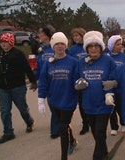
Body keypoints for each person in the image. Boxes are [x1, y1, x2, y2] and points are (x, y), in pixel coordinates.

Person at [75, 31, 117, 160]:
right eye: (90, 46)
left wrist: (111, 87)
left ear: (100, 47)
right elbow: (76, 78)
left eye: (96, 46)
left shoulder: (108, 60)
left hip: (104, 103)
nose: (93, 48)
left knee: (100, 131)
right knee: (95, 132)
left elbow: (115, 77)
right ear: (87, 48)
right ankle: (104, 152)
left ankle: (97, 156)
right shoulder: (82, 62)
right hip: (88, 104)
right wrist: (78, 83)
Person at [38, 32, 78, 160]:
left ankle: (63, 157)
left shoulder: (73, 62)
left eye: (62, 44)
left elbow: (76, 80)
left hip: (68, 101)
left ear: (66, 45)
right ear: (53, 46)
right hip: (54, 101)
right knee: (64, 125)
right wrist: (41, 100)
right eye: (57, 44)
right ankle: (72, 140)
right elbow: (44, 81)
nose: (60, 46)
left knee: (62, 127)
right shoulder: (49, 63)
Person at [0, 32, 37, 144]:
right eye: (1, 42)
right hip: (3, 88)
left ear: (11, 42)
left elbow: (27, 68)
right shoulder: (0, 55)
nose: (3, 45)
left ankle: (29, 122)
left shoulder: (18, 54)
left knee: (22, 109)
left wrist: (33, 81)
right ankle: (8, 132)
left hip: (17, 87)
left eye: (5, 42)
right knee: (4, 111)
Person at [35, 25, 60, 139]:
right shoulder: (42, 50)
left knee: (56, 104)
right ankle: (59, 124)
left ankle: (55, 129)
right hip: (46, 81)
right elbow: (39, 65)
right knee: (52, 105)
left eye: (41, 33)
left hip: (56, 80)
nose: (39, 36)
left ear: (46, 35)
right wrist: (35, 78)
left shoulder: (55, 47)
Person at [105, 35, 125, 135]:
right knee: (112, 108)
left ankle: (123, 123)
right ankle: (114, 126)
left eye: (121, 44)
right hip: (111, 87)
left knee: (121, 107)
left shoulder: (124, 57)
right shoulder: (107, 57)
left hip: (121, 88)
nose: (120, 46)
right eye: (117, 44)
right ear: (112, 45)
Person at [68, 27, 90, 135]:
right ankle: (85, 123)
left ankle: (91, 120)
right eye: (74, 36)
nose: (75, 38)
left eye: (77, 35)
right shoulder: (73, 49)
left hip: (90, 76)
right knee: (81, 103)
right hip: (78, 77)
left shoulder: (88, 47)